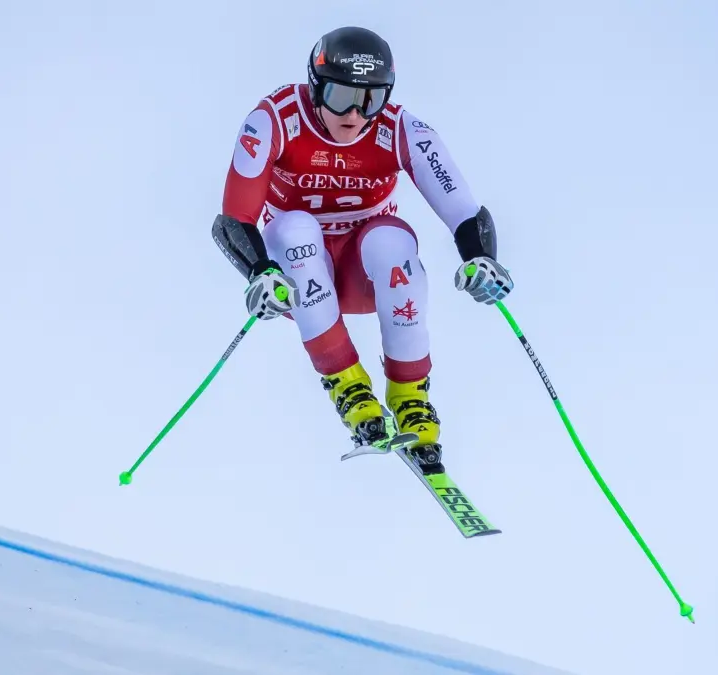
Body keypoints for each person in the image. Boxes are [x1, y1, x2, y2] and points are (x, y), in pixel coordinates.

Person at [211, 25, 514, 455]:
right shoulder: (275, 118)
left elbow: (464, 208)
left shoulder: (400, 128)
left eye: (371, 99)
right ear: (315, 86)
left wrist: (480, 258)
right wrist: (259, 271)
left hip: (363, 275)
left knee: (391, 239)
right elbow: (234, 217)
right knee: (294, 228)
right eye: (341, 97)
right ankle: (349, 389)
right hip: (298, 275)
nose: (355, 114)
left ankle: (410, 397)